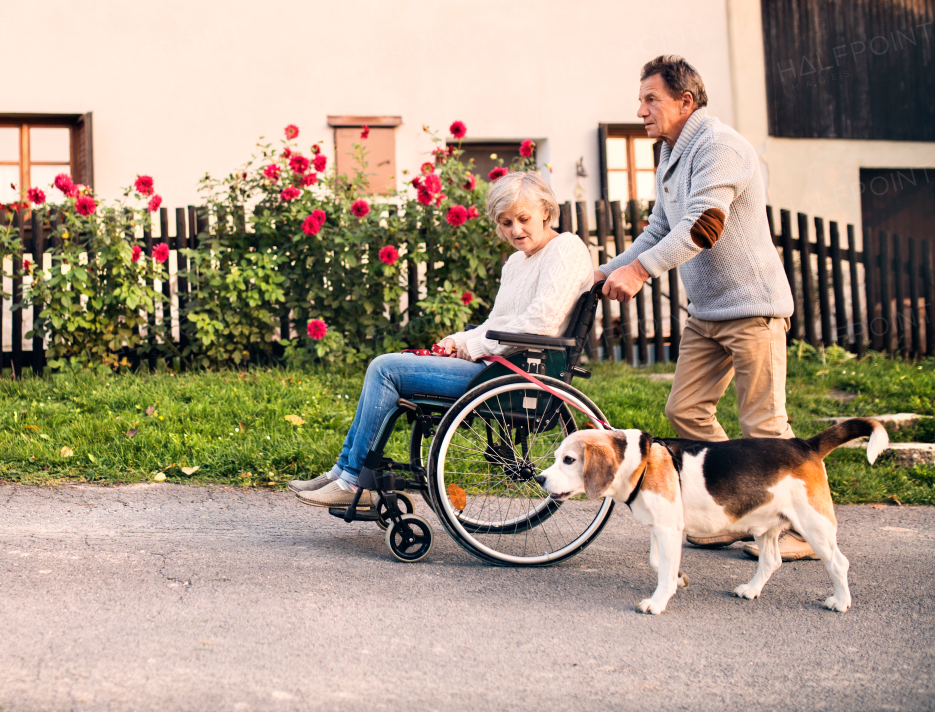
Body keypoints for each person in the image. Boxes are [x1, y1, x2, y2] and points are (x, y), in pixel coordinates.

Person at [596, 55, 810, 559]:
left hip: (753, 307)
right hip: (707, 312)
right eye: (640, 99)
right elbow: (658, 230)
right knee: (685, 410)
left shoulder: (719, 147)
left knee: (765, 426)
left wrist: (641, 271)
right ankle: (733, 511)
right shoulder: (669, 153)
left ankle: (798, 530)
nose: (641, 109)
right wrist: (605, 269)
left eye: (651, 99)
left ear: (685, 101)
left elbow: (700, 228)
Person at [292, 171, 594, 509]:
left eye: (523, 219)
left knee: (385, 368)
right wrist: (459, 340)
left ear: (546, 212)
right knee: (385, 367)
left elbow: (541, 323)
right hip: (497, 365)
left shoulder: (565, 249)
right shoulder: (515, 262)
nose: (515, 230)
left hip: (518, 373)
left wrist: (477, 347)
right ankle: (342, 473)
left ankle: (350, 479)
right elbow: (497, 323)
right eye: (506, 222)